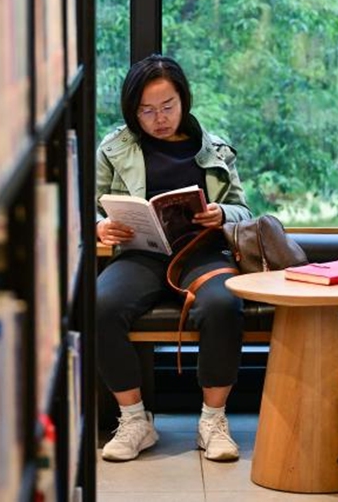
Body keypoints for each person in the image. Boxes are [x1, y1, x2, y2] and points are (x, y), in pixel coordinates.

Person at [95, 54, 252, 462]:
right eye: (146, 110)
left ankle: (212, 420)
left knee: (223, 303)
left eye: (167, 107)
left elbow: (244, 211)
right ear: (133, 110)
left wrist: (221, 214)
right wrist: (100, 227)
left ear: (184, 101)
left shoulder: (214, 149)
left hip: (202, 252)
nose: (159, 118)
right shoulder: (114, 148)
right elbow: (89, 207)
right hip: (141, 253)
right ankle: (133, 419)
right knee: (98, 305)